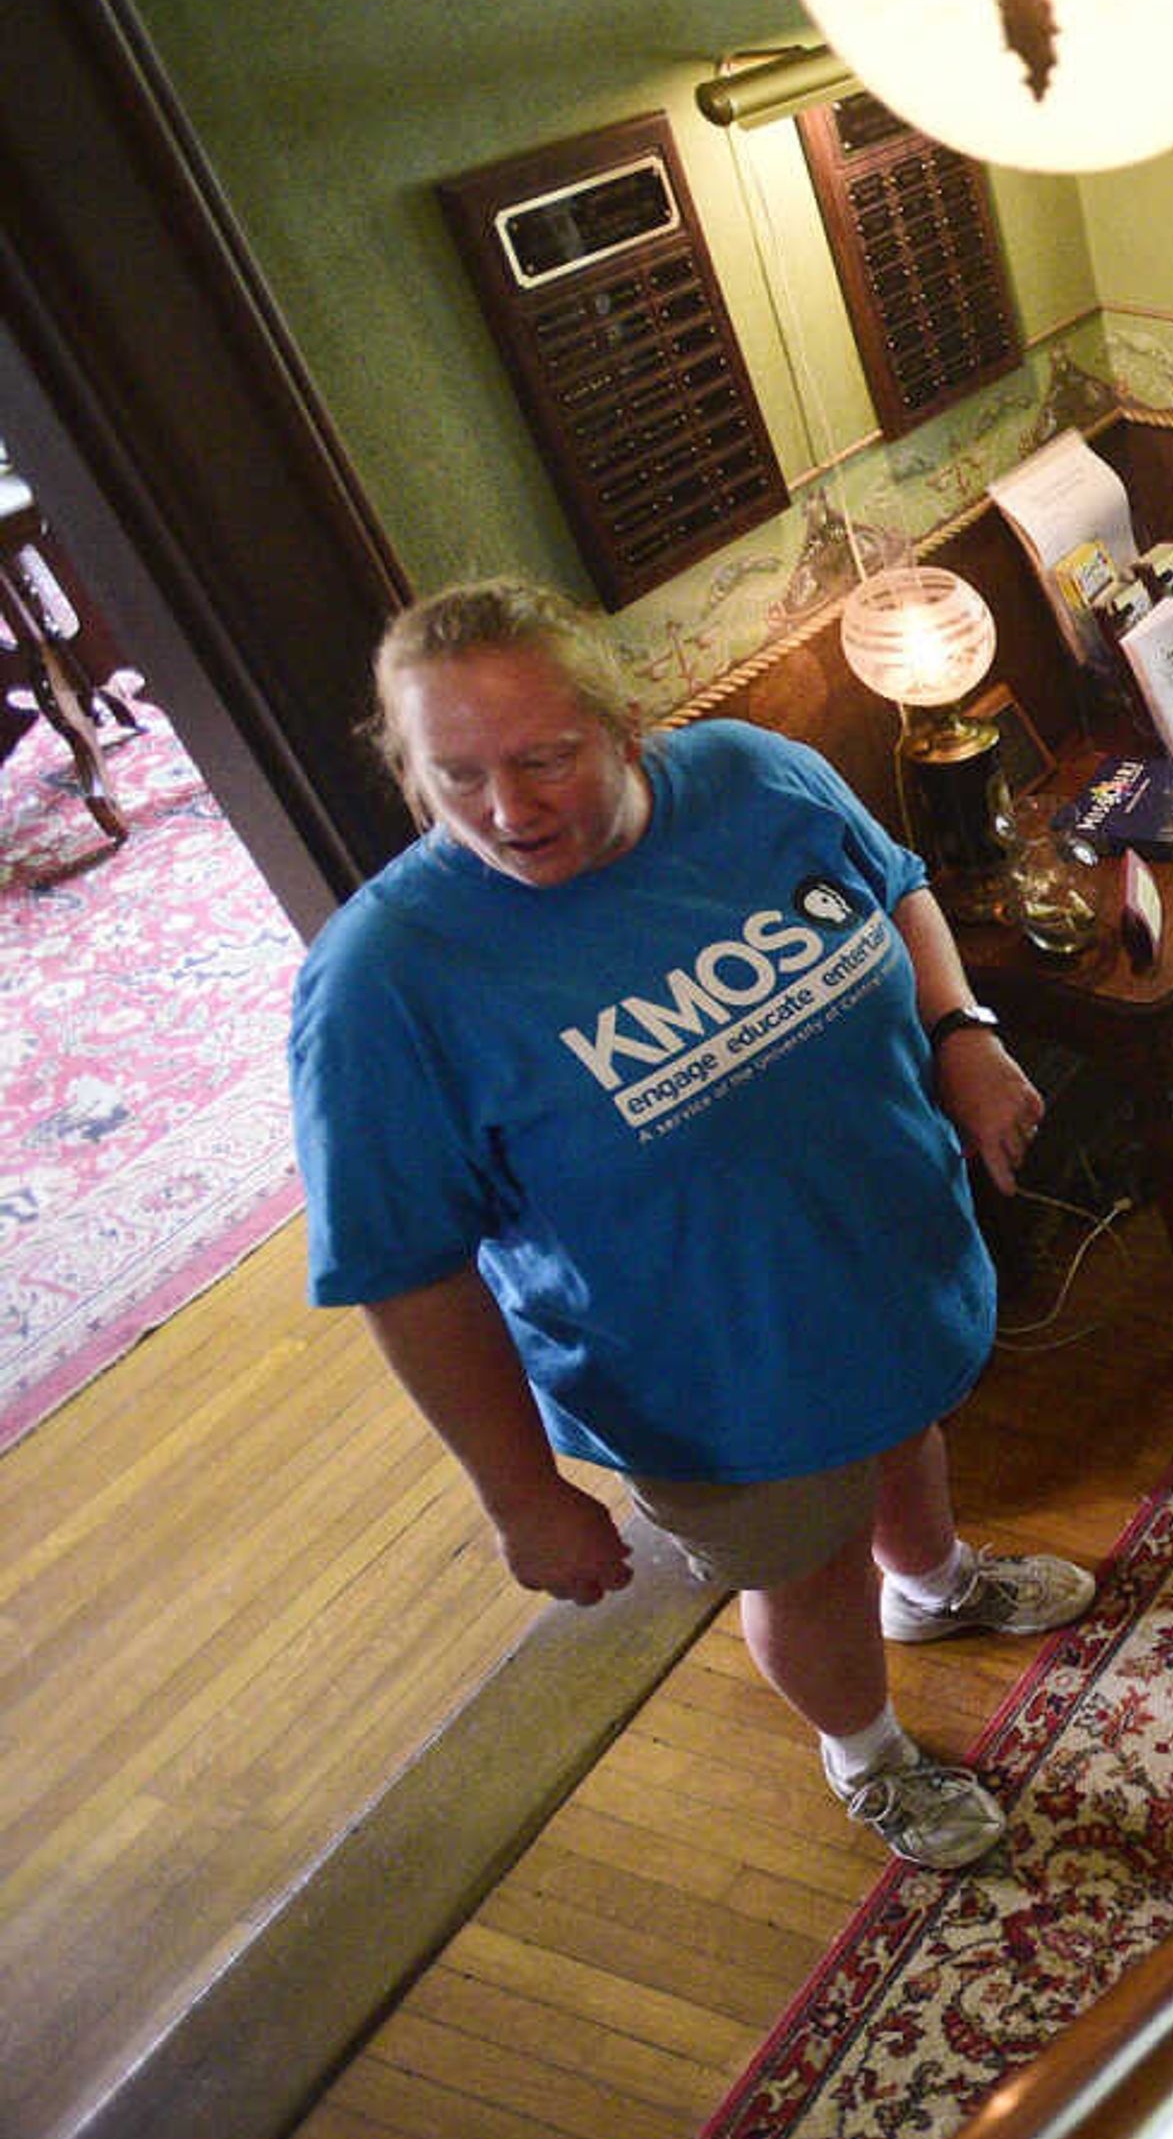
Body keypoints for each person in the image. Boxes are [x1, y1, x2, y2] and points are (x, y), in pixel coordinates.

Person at [288, 579, 1099, 1872]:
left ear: (629, 726)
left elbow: (893, 889)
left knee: (906, 1436)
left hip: (884, 1255)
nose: (509, 808)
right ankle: (869, 1751)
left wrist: (962, 1033)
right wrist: (520, 1496)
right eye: (458, 775)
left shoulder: (757, 776)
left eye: (546, 757)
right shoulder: (385, 982)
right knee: (809, 1564)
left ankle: (937, 1587)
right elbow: (409, 1272)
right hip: (711, 1372)